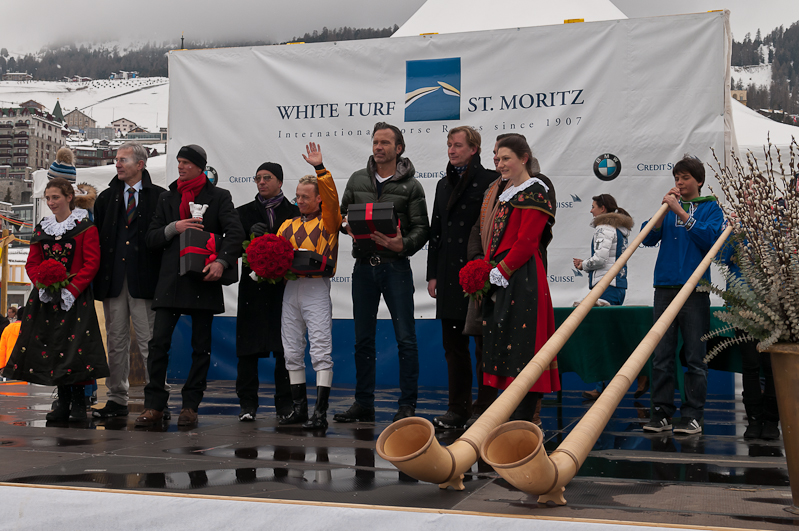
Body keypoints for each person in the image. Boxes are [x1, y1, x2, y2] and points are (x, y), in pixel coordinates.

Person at [136, 144, 244, 427]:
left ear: (200, 166)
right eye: (179, 162)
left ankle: (190, 406)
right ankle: (154, 405)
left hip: (203, 279)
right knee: (158, 344)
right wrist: (176, 227)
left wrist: (221, 262)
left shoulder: (219, 197)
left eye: (186, 163)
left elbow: (235, 234)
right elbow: (151, 238)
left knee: (201, 347)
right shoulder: (167, 197)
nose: (181, 167)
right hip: (171, 280)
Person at [335, 122, 429, 423]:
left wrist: (403, 244)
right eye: (375, 142)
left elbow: (422, 229)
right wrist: (345, 226)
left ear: (398, 148)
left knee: (406, 339)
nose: (378, 147)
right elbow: (340, 214)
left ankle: (407, 404)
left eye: (385, 143)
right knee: (362, 339)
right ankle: (363, 403)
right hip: (363, 268)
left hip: (395, 267)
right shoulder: (357, 178)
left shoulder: (412, 186)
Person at [2, 178, 109, 421]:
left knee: (77, 348)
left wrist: (71, 289)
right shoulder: (43, 227)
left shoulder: (85, 227)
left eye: (55, 197)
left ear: (69, 197)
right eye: (48, 198)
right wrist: (42, 284)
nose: (51, 202)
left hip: (76, 297)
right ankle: (63, 401)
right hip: (46, 298)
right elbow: (33, 261)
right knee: (54, 347)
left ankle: (80, 403)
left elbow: (92, 263)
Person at [641, 155, 723, 435]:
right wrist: (664, 210)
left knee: (695, 357)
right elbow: (646, 237)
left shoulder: (710, 207)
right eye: (677, 178)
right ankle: (661, 413)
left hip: (695, 289)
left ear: (698, 181)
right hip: (664, 287)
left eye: (685, 178)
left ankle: (692, 415)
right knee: (661, 355)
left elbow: (711, 239)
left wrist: (682, 213)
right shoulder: (668, 208)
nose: (679, 182)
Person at [482, 135, 560, 421]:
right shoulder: (507, 192)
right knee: (507, 342)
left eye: (505, 158)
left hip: (523, 275)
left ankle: (527, 418)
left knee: (524, 344)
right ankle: (515, 416)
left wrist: (499, 271)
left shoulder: (535, 191)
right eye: (496, 157)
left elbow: (527, 242)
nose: (499, 163)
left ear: (524, 158)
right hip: (506, 274)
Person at [426, 126, 496, 429]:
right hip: (449, 274)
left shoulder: (491, 181)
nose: (452, 151)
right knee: (453, 347)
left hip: (479, 273)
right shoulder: (443, 185)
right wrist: (432, 275)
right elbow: (436, 233)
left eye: (458, 146)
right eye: (449, 145)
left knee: (483, 345)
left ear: (474, 149)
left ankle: (486, 408)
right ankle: (458, 408)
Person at [91, 143, 166, 419]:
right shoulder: (106, 198)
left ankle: (157, 399)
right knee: (115, 341)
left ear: (141, 164)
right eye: (116, 160)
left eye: (123, 160)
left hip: (145, 282)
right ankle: (116, 399)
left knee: (150, 342)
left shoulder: (160, 197)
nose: (117, 164)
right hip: (113, 281)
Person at [277, 142, 340, 429]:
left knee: (320, 349)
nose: (300, 201)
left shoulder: (329, 221)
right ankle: (300, 410)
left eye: (306, 197)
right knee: (291, 350)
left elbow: (333, 198)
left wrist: (319, 169)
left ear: (318, 200)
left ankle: (320, 413)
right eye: (298, 196)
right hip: (291, 289)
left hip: (316, 287)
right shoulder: (286, 225)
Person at [235, 161, 299, 422]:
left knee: (285, 349)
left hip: (284, 291)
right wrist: (248, 238)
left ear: (280, 182)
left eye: (267, 177)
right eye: (258, 178)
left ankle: (284, 404)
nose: (261, 182)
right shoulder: (243, 213)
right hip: (252, 290)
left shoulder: (295, 212)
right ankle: (247, 404)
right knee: (248, 349)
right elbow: (232, 246)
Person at [572, 194, 640, 400]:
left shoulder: (605, 228)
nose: (591, 211)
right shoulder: (621, 230)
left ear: (603, 209)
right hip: (617, 285)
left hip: (606, 286)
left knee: (604, 339)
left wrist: (583, 265)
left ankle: (627, 380)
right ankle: (604, 387)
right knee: (611, 337)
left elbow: (601, 259)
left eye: (593, 207)